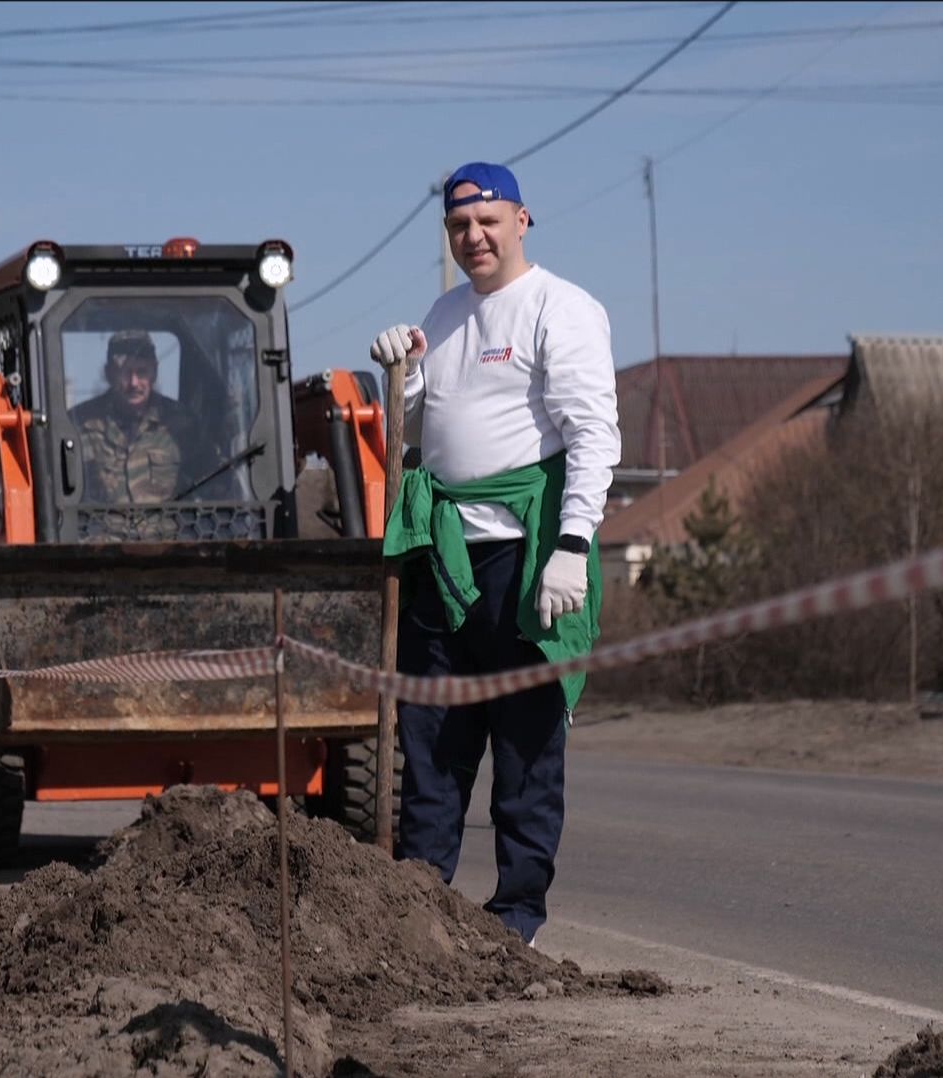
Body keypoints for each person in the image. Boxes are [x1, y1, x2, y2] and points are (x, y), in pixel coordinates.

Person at [370, 162, 620, 944]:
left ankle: (516, 920)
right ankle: (418, 910)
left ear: (522, 220)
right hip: (444, 563)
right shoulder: (442, 316)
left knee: (525, 746)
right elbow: (413, 434)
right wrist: (398, 373)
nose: (473, 238)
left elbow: (592, 436)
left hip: (527, 560)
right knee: (433, 740)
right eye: (458, 226)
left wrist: (572, 544)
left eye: (487, 222)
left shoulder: (563, 308)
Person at [68, 330, 216, 505]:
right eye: (125, 373)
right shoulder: (79, 423)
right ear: (109, 374)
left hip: (167, 531)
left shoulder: (183, 425)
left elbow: (214, 486)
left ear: (154, 372)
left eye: (142, 372)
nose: (134, 383)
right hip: (101, 531)